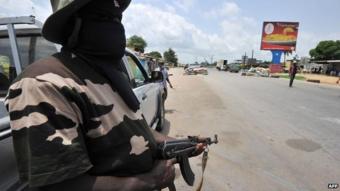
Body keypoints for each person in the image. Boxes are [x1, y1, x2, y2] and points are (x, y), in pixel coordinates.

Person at [5, 0, 205, 190]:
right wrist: (151, 180)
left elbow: (139, 129)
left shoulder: (107, 74)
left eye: (117, 18)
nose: (116, 27)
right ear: (72, 25)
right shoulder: (42, 84)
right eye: (103, 17)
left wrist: (179, 143)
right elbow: (60, 185)